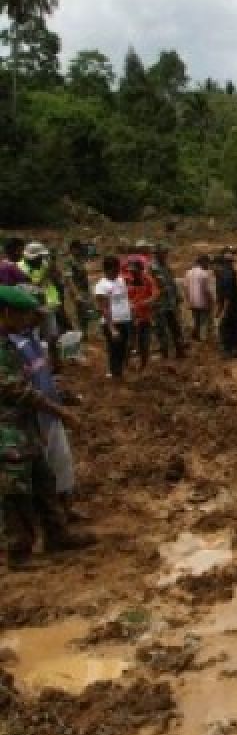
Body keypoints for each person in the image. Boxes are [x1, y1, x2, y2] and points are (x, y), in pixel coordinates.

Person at [0, 286, 94, 570]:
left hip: (25, 425)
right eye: (24, 313)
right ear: (5, 313)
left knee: (43, 480)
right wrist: (60, 411)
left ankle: (57, 534)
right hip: (7, 430)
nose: (29, 319)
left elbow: (36, 380)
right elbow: (16, 391)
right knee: (15, 491)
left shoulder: (12, 343)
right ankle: (19, 553)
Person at [19, 242, 63, 370]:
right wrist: (47, 274)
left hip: (48, 306)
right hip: (31, 310)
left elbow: (57, 279)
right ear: (31, 258)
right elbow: (33, 287)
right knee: (35, 339)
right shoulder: (20, 268)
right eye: (39, 257)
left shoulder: (44, 264)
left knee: (53, 336)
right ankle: (37, 368)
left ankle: (55, 364)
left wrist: (54, 269)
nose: (42, 260)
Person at [94, 256, 133, 380]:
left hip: (125, 320)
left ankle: (118, 371)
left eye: (118, 269)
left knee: (123, 347)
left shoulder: (120, 280)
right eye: (115, 269)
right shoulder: (101, 286)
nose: (118, 272)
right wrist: (112, 328)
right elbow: (104, 308)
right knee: (114, 349)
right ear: (108, 269)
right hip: (112, 323)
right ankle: (115, 374)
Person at [149, 243, 187, 359]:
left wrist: (177, 296)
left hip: (170, 303)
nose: (166, 255)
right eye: (163, 253)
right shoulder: (152, 268)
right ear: (157, 254)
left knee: (176, 327)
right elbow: (153, 286)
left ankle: (180, 351)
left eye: (166, 253)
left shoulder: (166, 266)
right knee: (161, 330)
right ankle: (164, 353)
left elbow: (172, 282)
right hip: (159, 304)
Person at [125, 259, 160, 372]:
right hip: (132, 316)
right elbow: (124, 296)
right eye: (131, 271)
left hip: (145, 316)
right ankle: (126, 363)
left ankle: (143, 365)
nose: (133, 273)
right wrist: (130, 305)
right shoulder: (128, 280)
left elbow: (155, 294)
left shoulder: (148, 280)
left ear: (141, 270)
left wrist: (146, 302)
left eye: (135, 271)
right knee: (130, 342)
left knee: (144, 343)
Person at [64, 241, 94, 340]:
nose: (80, 250)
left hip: (84, 289)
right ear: (72, 249)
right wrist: (76, 294)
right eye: (78, 248)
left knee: (86, 312)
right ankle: (81, 333)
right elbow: (69, 279)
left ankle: (84, 332)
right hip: (77, 290)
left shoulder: (80, 260)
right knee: (80, 312)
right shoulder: (69, 261)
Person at [184, 254, 216, 343]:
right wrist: (212, 301)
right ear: (203, 262)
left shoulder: (188, 272)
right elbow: (207, 290)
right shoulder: (204, 274)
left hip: (192, 302)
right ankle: (203, 341)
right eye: (207, 263)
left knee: (196, 321)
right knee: (204, 322)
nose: (208, 266)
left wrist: (188, 300)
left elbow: (185, 288)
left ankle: (196, 338)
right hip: (203, 302)